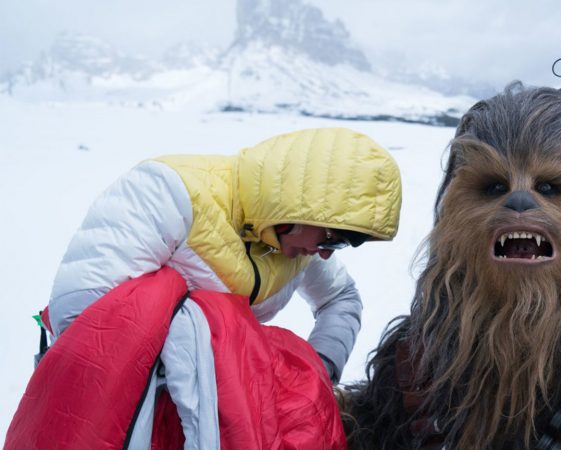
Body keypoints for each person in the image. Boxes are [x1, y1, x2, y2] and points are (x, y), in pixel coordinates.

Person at [46, 127, 402, 383]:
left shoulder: (294, 247)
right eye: (334, 239)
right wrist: (224, 371)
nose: (325, 254)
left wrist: (319, 370)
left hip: (207, 428)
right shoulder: (168, 192)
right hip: (117, 414)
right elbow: (81, 316)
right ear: (304, 206)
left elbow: (340, 298)